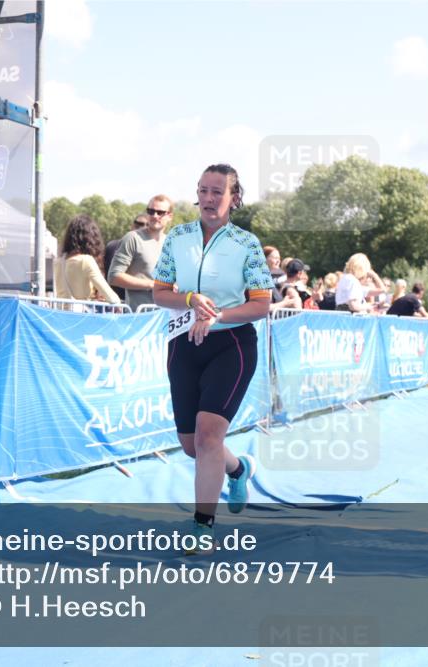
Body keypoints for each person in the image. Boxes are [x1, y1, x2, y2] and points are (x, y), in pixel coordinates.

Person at [152, 164, 273, 554]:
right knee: (191, 445)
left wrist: (217, 314)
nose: (208, 198)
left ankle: (203, 528)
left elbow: (261, 305)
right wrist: (190, 300)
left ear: (234, 197)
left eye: (217, 192)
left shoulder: (246, 243)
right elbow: (159, 292)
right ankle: (239, 469)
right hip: (184, 345)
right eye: (203, 190)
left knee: (208, 438)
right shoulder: (178, 236)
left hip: (232, 345)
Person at [108, 196, 171, 311]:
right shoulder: (133, 238)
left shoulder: (172, 243)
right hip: (138, 319)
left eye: (160, 212)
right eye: (151, 211)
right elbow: (114, 276)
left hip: (165, 318)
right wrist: (152, 285)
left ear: (170, 216)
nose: (155, 216)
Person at [53, 214, 121, 304]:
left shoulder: (58, 262)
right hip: (80, 316)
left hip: (60, 314)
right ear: (91, 238)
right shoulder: (86, 261)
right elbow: (112, 298)